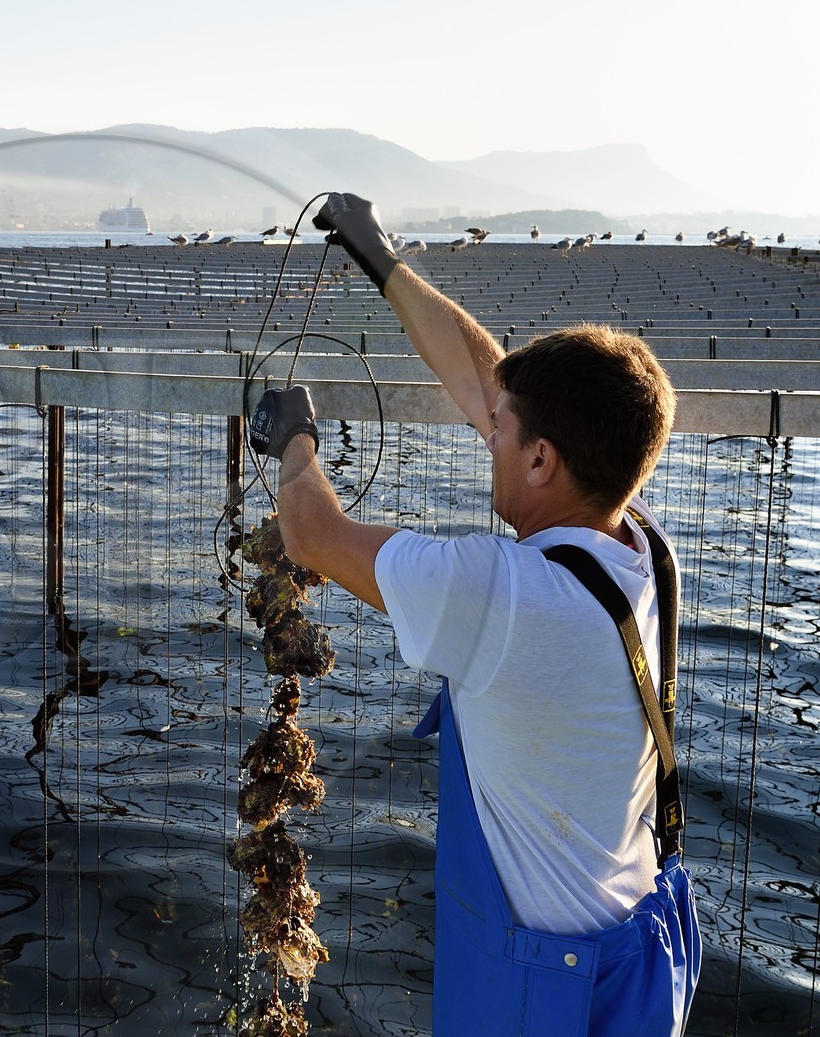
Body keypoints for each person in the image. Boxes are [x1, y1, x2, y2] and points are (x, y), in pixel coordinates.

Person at [247, 193, 700, 1035]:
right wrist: (383, 264)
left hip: (538, 991)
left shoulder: (506, 596)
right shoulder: (638, 541)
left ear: (542, 458)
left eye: (501, 433)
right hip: (643, 946)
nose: (484, 432)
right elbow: (489, 380)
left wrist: (295, 440)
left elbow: (310, 532)